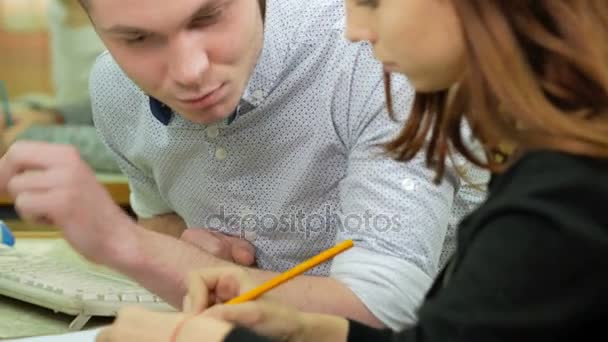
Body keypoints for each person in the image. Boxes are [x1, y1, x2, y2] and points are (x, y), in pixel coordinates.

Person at [94, 0, 608, 341]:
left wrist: (198, 336)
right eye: (136, 39)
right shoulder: (551, 162)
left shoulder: (570, 191)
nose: (354, 28)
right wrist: (312, 332)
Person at [0, 0, 487, 331]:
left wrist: (123, 242)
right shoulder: (112, 88)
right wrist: (181, 245)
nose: (190, 72)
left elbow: (381, 313)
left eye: (208, 16)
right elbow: (163, 222)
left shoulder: (374, 55)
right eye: (138, 38)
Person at [1, 0, 120, 173]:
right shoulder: (58, 10)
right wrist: (56, 116)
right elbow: (108, 103)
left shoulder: (131, 13)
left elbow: (136, 144)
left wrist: (27, 139)